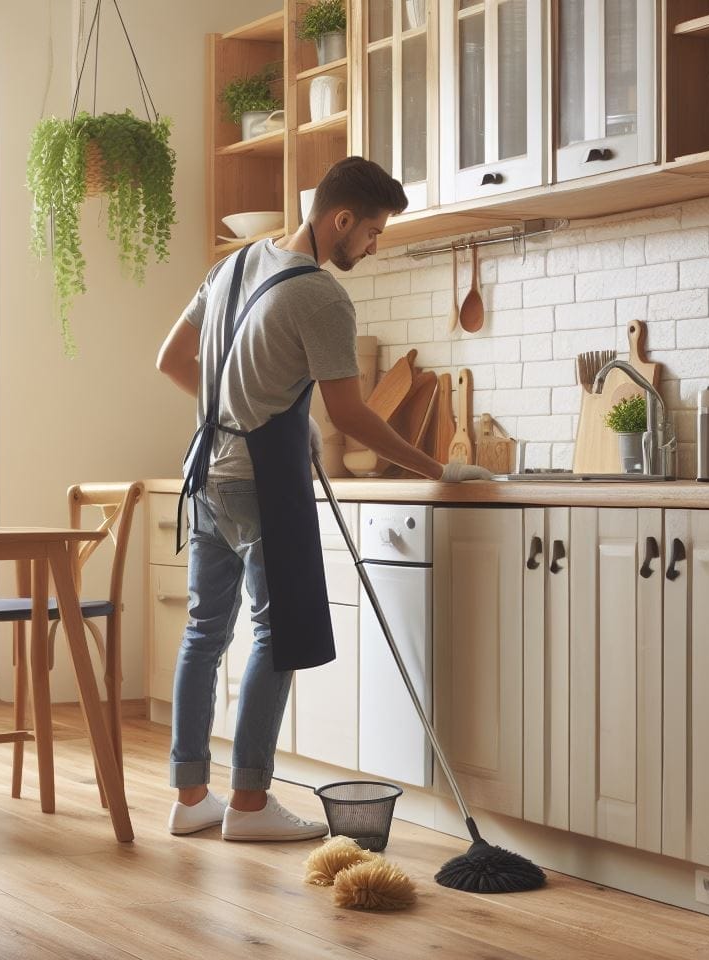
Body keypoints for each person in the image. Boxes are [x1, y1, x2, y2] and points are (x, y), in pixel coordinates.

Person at [156, 156, 491, 841]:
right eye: (371, 232)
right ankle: (248, 805)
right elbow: (356, 418)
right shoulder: (320, 295)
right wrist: (437, 468)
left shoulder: (233, 266)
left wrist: (235, 407)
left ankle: (191, 797)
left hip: (206, 475)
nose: (373, 246)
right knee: (277, 638)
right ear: (340, 219)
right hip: (260, 484)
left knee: (203, 635)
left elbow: (172, 360)